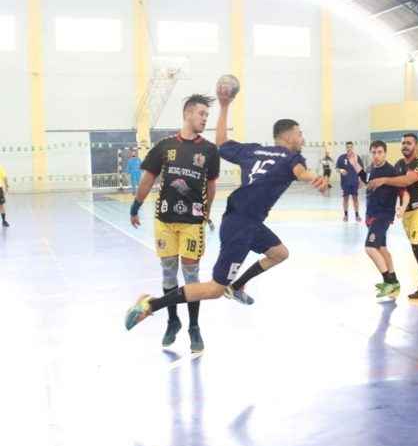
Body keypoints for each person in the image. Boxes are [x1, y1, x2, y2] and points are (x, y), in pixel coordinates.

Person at [124, 81, 328, 331]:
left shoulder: (253, 151)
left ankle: (238, 285)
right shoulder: (292, 157)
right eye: (299, 133)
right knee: (213, 289)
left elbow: (221, 143)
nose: (302, 138)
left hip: (248, 222)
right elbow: (301, 172)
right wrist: (314, 179)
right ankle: (151, 305)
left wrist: (224, 106)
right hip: (241, 226)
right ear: (287, 136)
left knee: (279, 253)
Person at [129, 94, 220, 352]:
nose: (204, 119)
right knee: (168, 272)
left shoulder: (210, 150)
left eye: (206, 115)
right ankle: (172, 321)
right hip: (164, 220)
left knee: (191, 275)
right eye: (201, 113)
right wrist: (136, 206)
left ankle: (194, 326)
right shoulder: (164, 146)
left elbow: (211, 187)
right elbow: (147, 179)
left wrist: (207, 211)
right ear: (187, 113)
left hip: (192, 221)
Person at [368, 133, 418, 299]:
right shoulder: (399, 164)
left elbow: (407, 180)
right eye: (403, 143)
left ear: (416, 145)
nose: (405, 146)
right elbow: (399, 188)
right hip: (407, 213)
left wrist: (384, 180)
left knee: (417, 244)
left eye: (409, 143)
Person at [351, 141, 403, 299]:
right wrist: (354, 164)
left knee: (370, 247)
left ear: (385, 153)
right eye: (373, 152)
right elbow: (366, 179)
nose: (376, 155)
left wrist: (402, 206)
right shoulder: (373, 169)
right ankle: (394, 285)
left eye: (379, 152)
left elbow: (402, 187)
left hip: (383, 216)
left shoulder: (391, 171)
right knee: (382, 249)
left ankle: (387, 281)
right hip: (372, 215)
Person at [336, 141, 363, 222]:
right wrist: (341, 170)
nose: (349, 148)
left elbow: (361, 170)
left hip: (354, 182)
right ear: (346, 148)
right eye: (347, 147)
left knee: (355, 199)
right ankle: (346, 215)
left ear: (352, 148)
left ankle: (357, 215)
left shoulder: (357, 158)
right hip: (345, 183)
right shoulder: (341, 157)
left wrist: (361, 181)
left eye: (350, 147)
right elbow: (337, 168)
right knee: (345, 199)